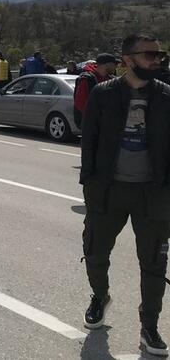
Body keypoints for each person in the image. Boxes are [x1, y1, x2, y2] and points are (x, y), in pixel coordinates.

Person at [80, 34, 170, 355]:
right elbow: (88, 141)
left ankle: (149, 326)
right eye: (150, 55)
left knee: (155, 264)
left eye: (160, 55)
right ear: (128, 60)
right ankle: (100, 295)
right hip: (109, 190)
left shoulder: (165, 96)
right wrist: (90, 186)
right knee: (95, 251)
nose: (158, 60)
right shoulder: (103, 95)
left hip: (153, 194)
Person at [73, 53, 118, 128]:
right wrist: (96, 117)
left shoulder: (111, 79)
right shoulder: (87, 79)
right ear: (107, 65)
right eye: (114, 64)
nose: (115, 67)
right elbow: (80, 103)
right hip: (90, 123)